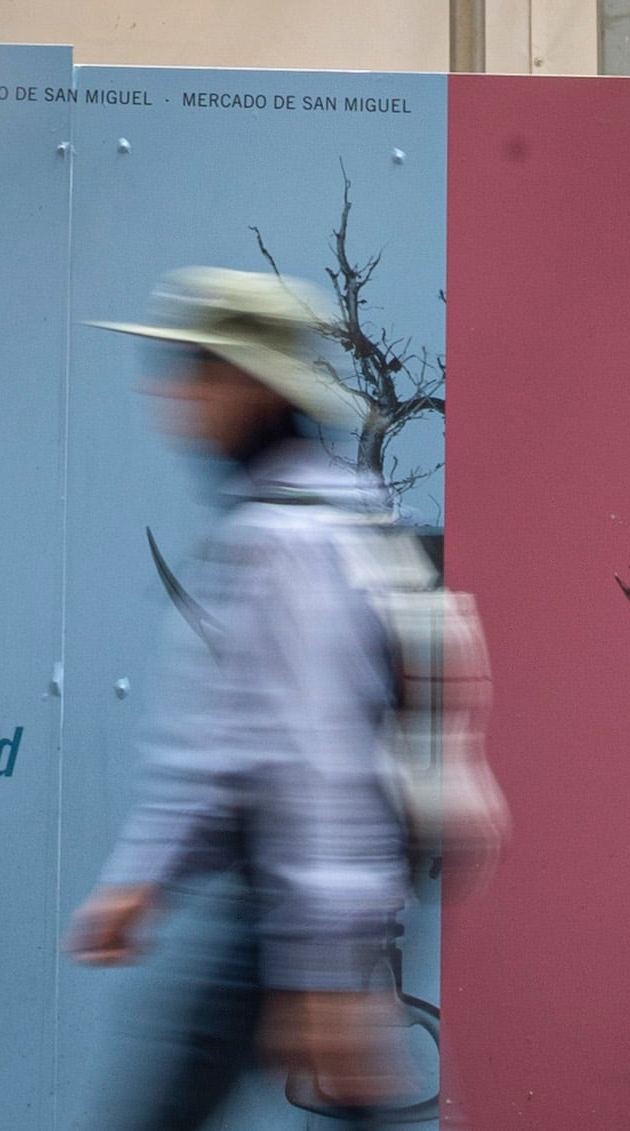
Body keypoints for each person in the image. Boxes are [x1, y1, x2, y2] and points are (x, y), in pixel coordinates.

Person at [68, 267, 410, 1131]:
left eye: (195, 369)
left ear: (251, 387)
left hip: (292, 910)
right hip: (301, 909)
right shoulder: (319, 513)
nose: (174, 394)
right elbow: (230, 750)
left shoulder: (286, 536)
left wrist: (324, 969)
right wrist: (143, 880)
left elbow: (315, 755)